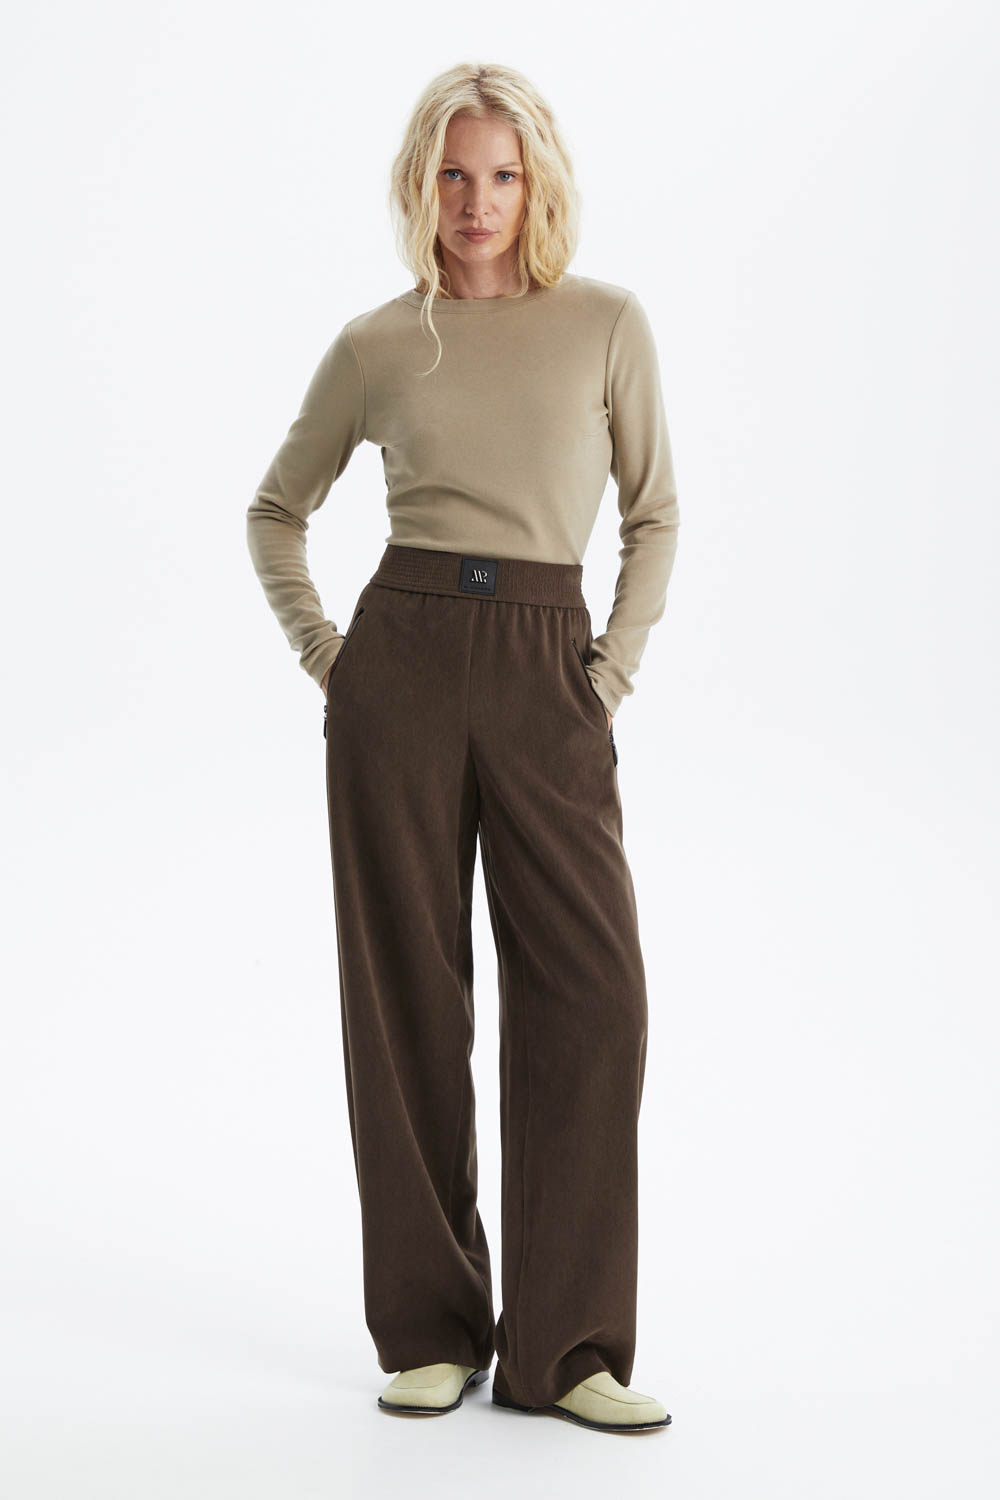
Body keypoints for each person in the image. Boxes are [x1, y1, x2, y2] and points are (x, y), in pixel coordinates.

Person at [246, 62, 680, 1436]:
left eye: (500, 174)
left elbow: (655, 515)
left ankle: (566, 1347)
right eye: (452, 174)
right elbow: (275, 512)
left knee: (593, 999)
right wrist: (336, 662)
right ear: (418, 185)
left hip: (552, 665)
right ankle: (432, 1329)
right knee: (408, 1003)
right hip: (405, 664)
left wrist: (606, 677)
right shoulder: (379, 344)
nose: (477, 202)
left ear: (535, 180)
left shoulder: (606, 324)